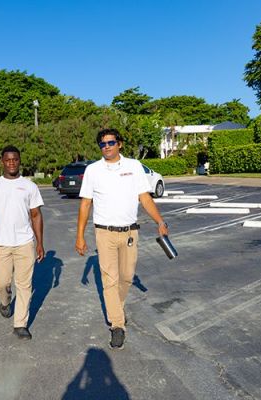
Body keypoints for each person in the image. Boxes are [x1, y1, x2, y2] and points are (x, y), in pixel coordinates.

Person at [75, 128, 169, 349]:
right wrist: (79, 236)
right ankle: (117, 325)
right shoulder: (93, 170)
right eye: (102, 144)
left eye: (110, 143)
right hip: (104, 232)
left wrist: (160, 221)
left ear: (120, 144)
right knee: (110, 279)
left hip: (130, 232)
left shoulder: (134, 166)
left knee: (126, 277)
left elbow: (144, 198)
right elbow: (85, 204)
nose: (106, 147)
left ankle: (115, 308)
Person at [0, 145, 44, 340]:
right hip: (0, 243)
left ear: (19, 161)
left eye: (15, 159)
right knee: (1, 282)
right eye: (7, 160)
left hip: (25, 243)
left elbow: (36, 215)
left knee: (24, 285)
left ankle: (20, 324)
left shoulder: (29, 186)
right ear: (2, 161)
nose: (11, 163)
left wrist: (40, 242)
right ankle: (5, 301)